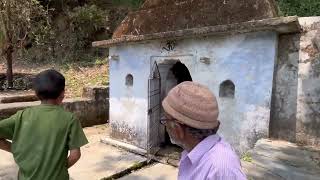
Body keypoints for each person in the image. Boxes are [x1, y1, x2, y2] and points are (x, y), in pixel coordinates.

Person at [0, 69, 88, 180]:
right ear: (62, 93)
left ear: (36, 93)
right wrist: (58, 168)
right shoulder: (70, 119)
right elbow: (75, 155)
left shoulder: (22, 116)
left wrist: (15, 149)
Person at [161, 81, 246, 180]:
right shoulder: (193, 154)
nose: (165, 125)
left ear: (177, 129)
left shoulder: (220, 168)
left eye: (165, 120)